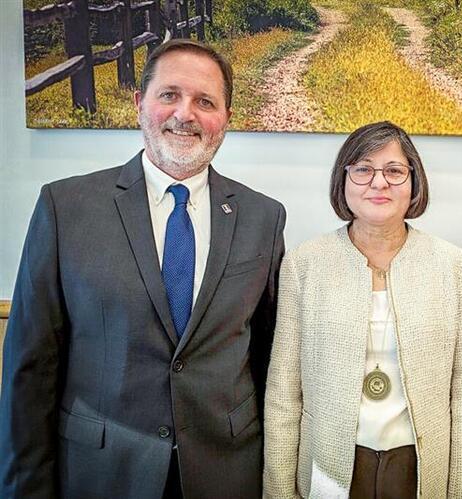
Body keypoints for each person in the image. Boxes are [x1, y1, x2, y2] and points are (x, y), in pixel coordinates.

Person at [0, 39, 286, 499]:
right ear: (140, 104)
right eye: (169, 94)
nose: (185, 114)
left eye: (205, 101)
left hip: (225, 472)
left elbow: (268, 360)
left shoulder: (263, 217)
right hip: (102, 472)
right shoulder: (65, 208)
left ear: (226, 119)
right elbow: (29, 371)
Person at [263, 121, 462, 498]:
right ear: (344, 180)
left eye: (394, 171)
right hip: (330, 464)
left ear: (414, 181)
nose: (379, 182)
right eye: (363, 169)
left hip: (418, 465)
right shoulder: (305, 263)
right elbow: (284, 391)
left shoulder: (452, 265)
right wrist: (279, 490)